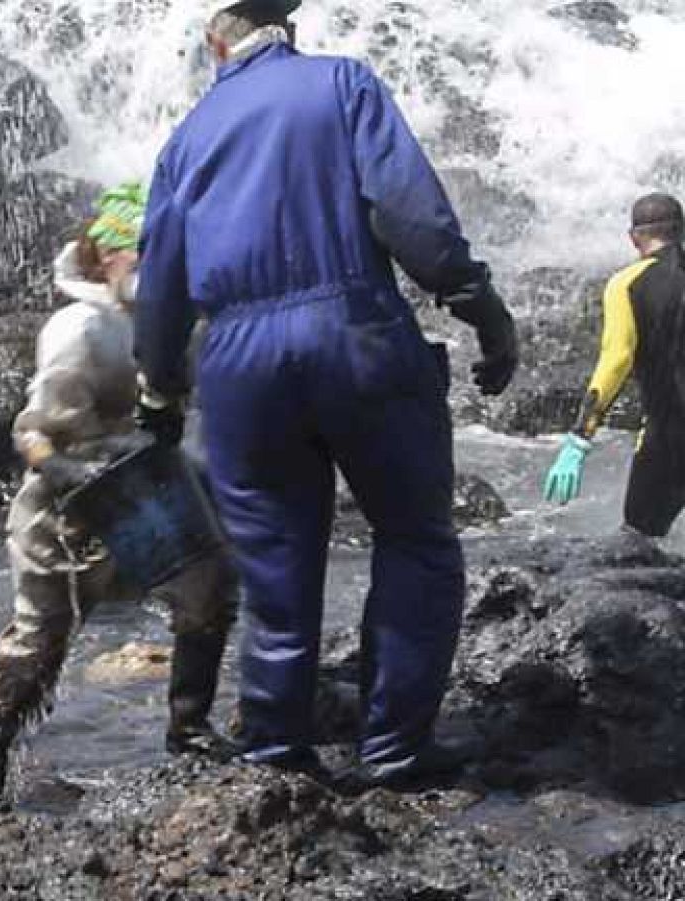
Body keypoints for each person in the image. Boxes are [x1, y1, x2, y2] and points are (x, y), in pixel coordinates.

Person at [134, 0, 518, 788]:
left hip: (237, 359)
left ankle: (278, 750)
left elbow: (161, 285)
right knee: (415, 536)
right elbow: (411, 214)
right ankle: (396, 746)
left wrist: (161, 390)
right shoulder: (341, 83)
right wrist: (478, 304)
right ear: (291, 28)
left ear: (216, 44)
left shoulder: (187, 138)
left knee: (273, 558)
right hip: (355, 330)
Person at [0, 183, 239, 797]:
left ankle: (188, 728)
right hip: (64, 512)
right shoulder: (80, 327)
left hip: (141, 492)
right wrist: (57, 469)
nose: (151, 267)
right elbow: (33, 431)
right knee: (39, 644)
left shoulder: (170, 325)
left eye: (162, 255)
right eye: (138, 254)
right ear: (103, 256)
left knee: (209, 586)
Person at [544, 193, 685, 540]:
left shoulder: (626, 284)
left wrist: (580, 437)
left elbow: (616, 359)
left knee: (638, 547)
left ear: (634, 237)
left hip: (670, 438)